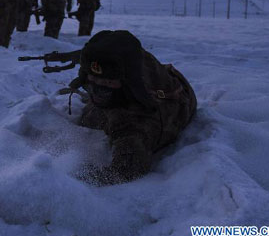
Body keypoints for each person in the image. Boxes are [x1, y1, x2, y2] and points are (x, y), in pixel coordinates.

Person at [69, 30, 197, 185]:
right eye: (93, 80)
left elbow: (124, 172)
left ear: (129, 82)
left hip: (174, 103)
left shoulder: (133, 124)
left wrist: (67, 178)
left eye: (108, 83)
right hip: (168, 84)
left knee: (89, 118)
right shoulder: (129, 57)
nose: (98, 89)